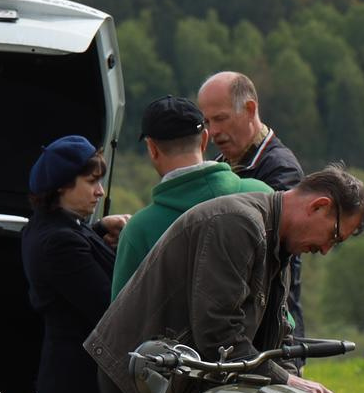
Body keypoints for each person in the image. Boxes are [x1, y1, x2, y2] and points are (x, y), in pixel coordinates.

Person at [83, 166, 364, 393]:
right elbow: (219, 334)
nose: (325, 250)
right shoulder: (238, 223)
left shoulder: (279, 243)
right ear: (319, 206)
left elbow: (276, 336)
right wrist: (288, 383)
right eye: (333, 236)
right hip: (140, 368)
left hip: (174, 373)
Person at [18, 136, 120, 393]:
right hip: (78, 387)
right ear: (62, 186)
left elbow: (73, 240)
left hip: (70, 382)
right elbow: (109, 305)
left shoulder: (54, 229)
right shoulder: (59, 242)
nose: (100, 191)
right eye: (90, 181)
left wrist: (99, 229)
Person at [110, 96, 271, 297]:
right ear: (204, 139)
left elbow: (123, 321)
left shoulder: (139, 230)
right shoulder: (262, 195)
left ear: (152, 148)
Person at [197, 71, 308, 340]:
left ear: (249, 109)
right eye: (207, 122)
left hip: (271, 331)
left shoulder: (281, 170)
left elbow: (272, 259)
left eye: (221, 119)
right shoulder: (222, 164)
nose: (213, 132)